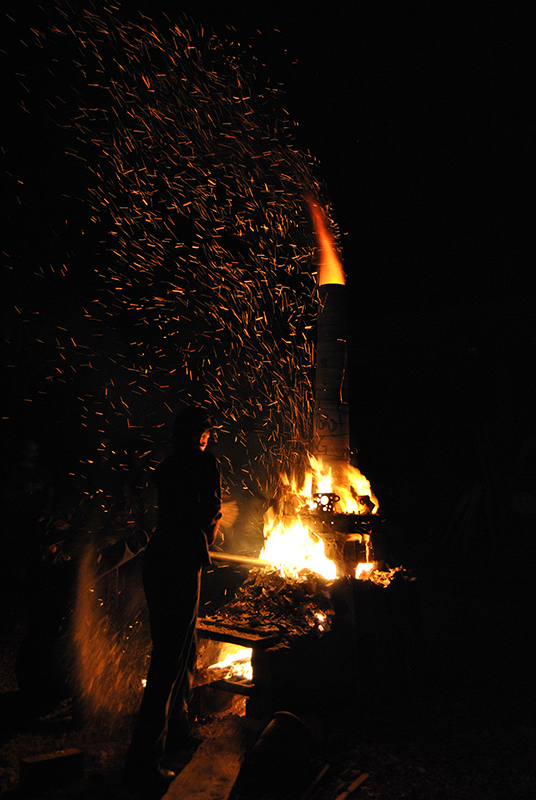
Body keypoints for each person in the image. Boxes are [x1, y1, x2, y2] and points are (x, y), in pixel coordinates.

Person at [124, 407, 222, 793]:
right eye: (206, 434)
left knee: (182, 648)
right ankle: (143, 760)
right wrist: (209, 536)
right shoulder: (205, 463)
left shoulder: (165, 468)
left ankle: (179, 731)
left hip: (158, 560)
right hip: (182, 562)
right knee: (169, 658)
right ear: (201, 436)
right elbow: (210, 510)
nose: (208, 440)